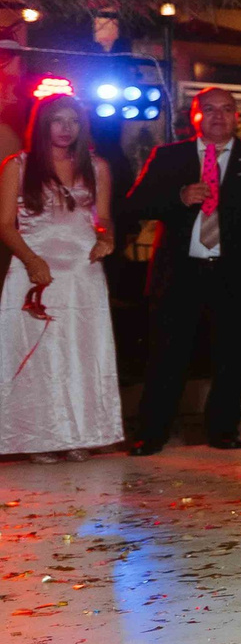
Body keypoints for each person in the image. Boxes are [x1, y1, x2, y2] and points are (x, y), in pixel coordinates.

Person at [127, 88, 241, 453]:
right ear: (195, 117)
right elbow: (134, 205)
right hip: (180, 273)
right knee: (167, 356)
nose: (218, 116)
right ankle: (151, 434)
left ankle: (223, 430)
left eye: (226, 110)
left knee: (232, 357)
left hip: (236, 273)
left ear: (237, 116)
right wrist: (178, 198)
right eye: (210, 110)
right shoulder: (169, 157)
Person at [0, 93, 120, 460]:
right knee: (38, 354)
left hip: (83, 273)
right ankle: (37, 439)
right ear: (42, 123)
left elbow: (104, 218)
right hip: (35, 270)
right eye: (58, 120)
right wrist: (32, 261)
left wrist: (107, 238)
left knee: (82, 353)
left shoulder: (96, 166)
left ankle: (79, 435)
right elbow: (5, 225)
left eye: (73, 121)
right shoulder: (17, 166)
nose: (66, 128)